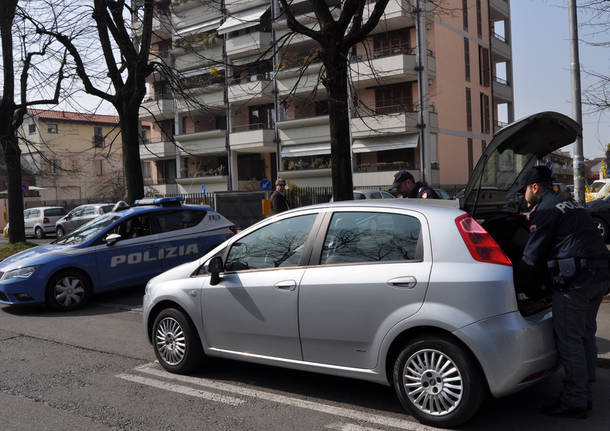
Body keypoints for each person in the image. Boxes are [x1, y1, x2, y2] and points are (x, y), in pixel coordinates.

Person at [515, 165, 609, 419]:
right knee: (585, 333)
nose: (524, 194)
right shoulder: (570, 203)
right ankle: (586, 382)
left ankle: (575, 400)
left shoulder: (544, 209)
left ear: (535, 187)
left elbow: (532, 257)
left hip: (575, 281)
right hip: (599, 276)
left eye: (525, 189)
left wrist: (519, 284)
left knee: (569, 339)